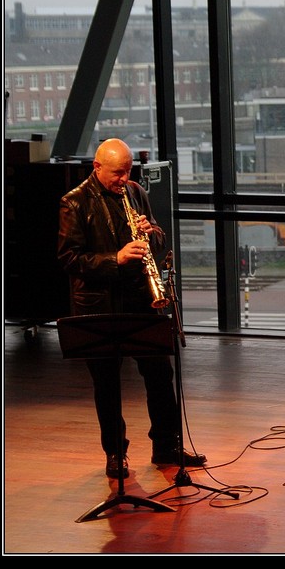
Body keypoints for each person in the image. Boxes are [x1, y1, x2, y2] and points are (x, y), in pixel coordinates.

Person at [57, 138, 206, 479]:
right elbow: (69, 258)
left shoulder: (135, 191)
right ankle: (115, 454)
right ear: (97, 168)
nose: (124, 178)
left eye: (127, 171)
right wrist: (116, 258)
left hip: (140, 299)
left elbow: (159, 237)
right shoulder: (74, 202)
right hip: (100, 305)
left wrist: (149, 232)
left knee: (160, 374)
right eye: (117, 173)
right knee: (107, 384)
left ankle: (166, 446)